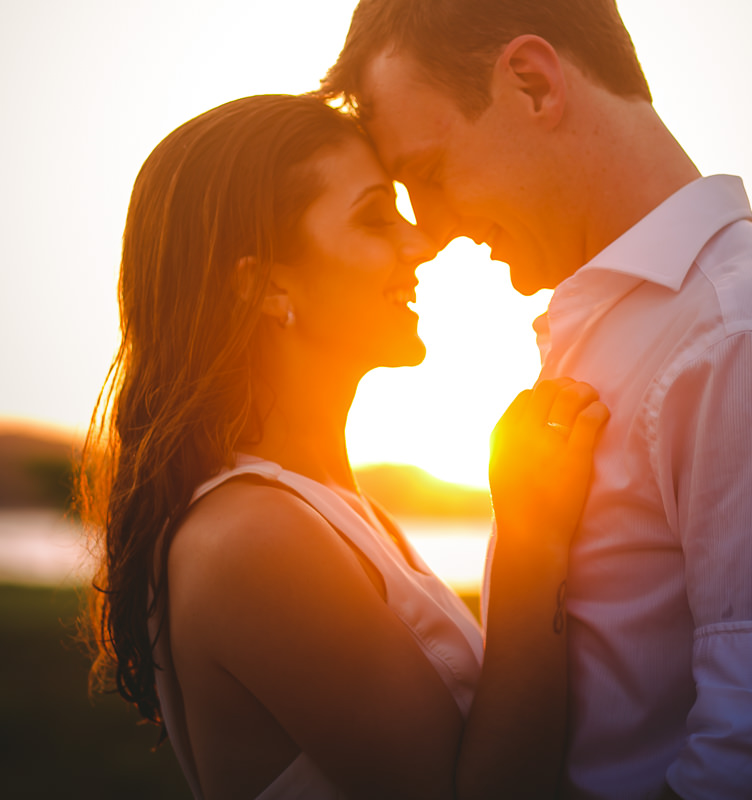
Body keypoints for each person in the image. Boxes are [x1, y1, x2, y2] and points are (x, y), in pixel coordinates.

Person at [319, 1, 752, 798]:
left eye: (427, 174)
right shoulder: (636, 335)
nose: (427, 231)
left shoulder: (750, 340)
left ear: (533, 84)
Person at [78, 93, 609, 799]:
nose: (421, 242)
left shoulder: (326, 508)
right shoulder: (251, 539)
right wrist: (532, 538)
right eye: (374, 217)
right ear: (264, 285)